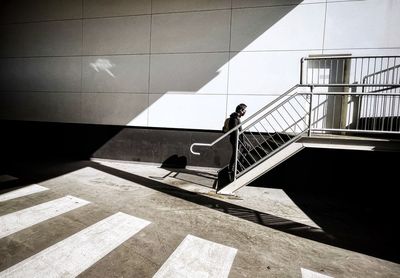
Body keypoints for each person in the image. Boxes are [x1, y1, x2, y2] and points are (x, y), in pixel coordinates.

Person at [228, 103, 247, 180]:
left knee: (247, 148)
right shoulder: (235, 118)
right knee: (235, 154)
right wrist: (241, 141)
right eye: (244, 110)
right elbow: (236, 131)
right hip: (235, 139)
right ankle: (231, 169)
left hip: (237, 139)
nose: (245, 112)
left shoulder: (236, 117)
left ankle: (238, 164)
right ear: (240, 110)